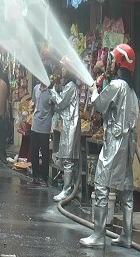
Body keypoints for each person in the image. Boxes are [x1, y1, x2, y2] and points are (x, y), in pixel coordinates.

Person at [80, 44, 139, 248]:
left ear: (121, 62)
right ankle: (127, 236)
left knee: (101, 185)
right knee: (126, 190)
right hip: (128, 146)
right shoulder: (131, 91)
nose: (110, 63)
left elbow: (98, 105)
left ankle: (98, 235)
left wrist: (92, 90)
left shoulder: (117, 86)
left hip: (114, 143)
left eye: (113, 59)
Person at [51, 62, 80, 201]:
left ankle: (67, 190)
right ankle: (72, 188)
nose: (61, 70)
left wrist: (52, 92)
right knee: (69, 158)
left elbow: (61, 102)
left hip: (70, 125)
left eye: (64, 67)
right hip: (69, 125)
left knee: (68, 159)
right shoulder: (70, 86)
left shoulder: (70, 86)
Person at [29, 77, 54, 186]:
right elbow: (33, 103)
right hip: (35, 124)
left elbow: (54, 108)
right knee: (34, 151)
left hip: (45, 126)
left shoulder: (51, 93)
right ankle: (35, 176)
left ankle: (44, 177)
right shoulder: (36, 89)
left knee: (44, 152)